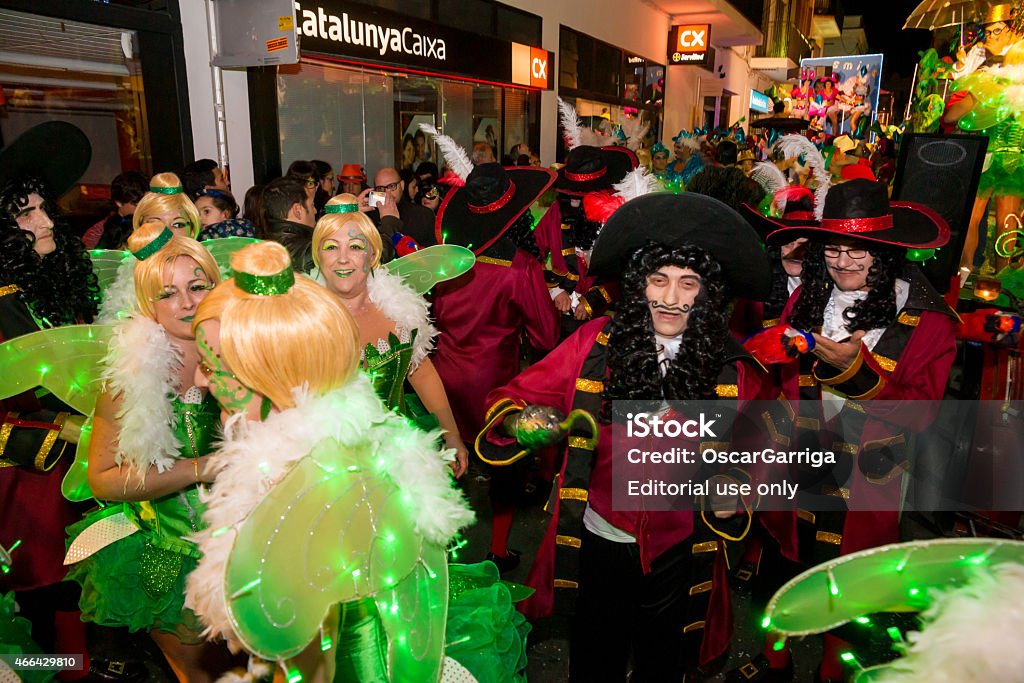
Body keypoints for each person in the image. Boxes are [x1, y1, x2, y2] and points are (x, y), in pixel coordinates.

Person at [475, 192, 783, 681]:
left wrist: (739, 488)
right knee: (595, 660)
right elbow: (509, 398)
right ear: (639, 285)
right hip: (600, 537)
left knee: (663, 665)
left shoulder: (733, 368)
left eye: (688, 284)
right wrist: (521, 421)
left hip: (680, 549)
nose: (670, 297)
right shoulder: (594, 342)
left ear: (707, 294)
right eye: (658, 280)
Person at [185, 241, 474, 683]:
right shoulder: (324, 444)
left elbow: (309, 663)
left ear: (267, 372)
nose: (200, 379)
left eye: (213, 364)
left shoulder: (311, 481)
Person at [754, 179, 957, 682]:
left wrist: (857, 375)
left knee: (846, 582)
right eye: (835, 250)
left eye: (858, 253)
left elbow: (923, 413)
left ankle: (831, 671)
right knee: (784, 566)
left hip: (869, 478)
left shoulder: (928, 324)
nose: (843, 263)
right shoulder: (804, 302)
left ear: (884, 256)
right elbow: (775, 382)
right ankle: (774, 663)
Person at [66, 223, 236, 683]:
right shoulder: (129, 376)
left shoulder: (248, 349)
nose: (186, 302)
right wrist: (199, 469)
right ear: (147, 304)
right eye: (167, 293)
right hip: (171, 555)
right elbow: (102, 477)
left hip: (250, 546)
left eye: (197, 286)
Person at [423, 125, 559, 571]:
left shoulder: (445, 258)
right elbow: (544, 336)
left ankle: (448, 552)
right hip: (493, 386)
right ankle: (498, 552)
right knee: (502, 466)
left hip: (442, 378)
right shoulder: (519, 267)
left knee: (451, 460)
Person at [0, 121, 96, 668]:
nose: (41, 219)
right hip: (24, 490)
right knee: (40, 614)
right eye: (24, 212)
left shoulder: (56, 280)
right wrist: (65, 425)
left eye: (43, 207)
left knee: (80, 602)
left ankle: (75, 670)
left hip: (81, 475)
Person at [310, 194, 468, 478]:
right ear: (317, 255)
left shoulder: (400, 309)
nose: (343, 258)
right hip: (326, 462)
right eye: (331, 247)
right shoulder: (300, 321)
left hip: (400, 456)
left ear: (372, 255)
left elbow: (420, 371)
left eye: (355, 246)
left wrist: (452, 435)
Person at [535, 141, 639, 336]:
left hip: (600, 318)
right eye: (570, 193)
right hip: (558, 316)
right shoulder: (558, 210)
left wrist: (594, 300)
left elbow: (625, 270)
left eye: (580, 196)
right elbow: (532, 251)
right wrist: (554, 290)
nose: (573, 201)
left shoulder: (615, 216)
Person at [97, 172, 203, 323]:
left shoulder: (209, 274)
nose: (166, 234)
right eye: (155, 223)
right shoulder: (127, 287)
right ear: (140, 229)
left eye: (177, 224)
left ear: (192, 231)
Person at [357, 166, 436, 256]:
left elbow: (433, 254)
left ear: (402, 185)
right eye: (380, 189)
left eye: (391, 186)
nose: (387, 193)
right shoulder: (369, 216)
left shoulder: (423, 215)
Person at [260, 175, 316, 272]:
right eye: (312, 205)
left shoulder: (261, 249)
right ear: (297, 210)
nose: (315, 211)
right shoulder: (312, 253)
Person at [82, 171, 149, 249]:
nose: (144, 208)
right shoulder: (97, 232)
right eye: (137, 205)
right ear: (119, 203)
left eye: (147, 203)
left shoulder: (153, 223)